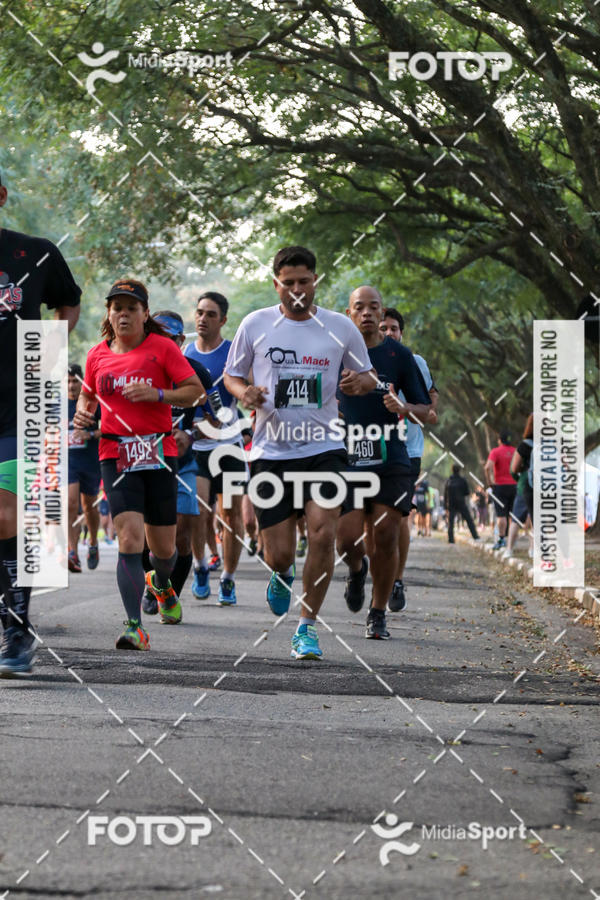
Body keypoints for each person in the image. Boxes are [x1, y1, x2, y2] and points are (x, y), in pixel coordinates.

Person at [223, 245, 375, 659]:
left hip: (324, 447)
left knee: (324, 531)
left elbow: (368, 375)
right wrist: (246, 393)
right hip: (271, 453)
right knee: (280, 554)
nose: (295, 290)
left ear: (315, 282)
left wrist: (360, 384)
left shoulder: (340, 327)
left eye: (303, 282)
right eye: (287, 283)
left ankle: (307, 627)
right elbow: (232, 376)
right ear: (276, 284)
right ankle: (281, 573)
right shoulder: (256, 325)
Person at [74, 279, 206, 650]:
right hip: (115, 454)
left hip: (159, 453)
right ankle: (134, 627)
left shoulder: (162, 348)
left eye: (131, 308)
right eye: (117, 307)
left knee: (162, 551)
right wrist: (84, 416)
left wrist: (158, 394)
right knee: (130, 539)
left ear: (145, 314)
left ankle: (161, 583)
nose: (123, 314)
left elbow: (195, 390)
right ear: (109, 314)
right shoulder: (97, 354)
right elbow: (87, 397)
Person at [0, 173, 81, 676]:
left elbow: (68, 301)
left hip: (18, 405)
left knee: (8, 515)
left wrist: (47, 347)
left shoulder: (34, 253)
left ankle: (16, 630)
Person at [336, 287, 431, 639]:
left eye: (373, 307)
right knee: (346, 540)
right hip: (346, 458)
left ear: (381, 313)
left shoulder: (399, 355)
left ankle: (377, 613)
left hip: (391, 456)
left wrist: (404, 408)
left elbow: (426, 410)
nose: (366, 314)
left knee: (387, 533)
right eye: (359, 308)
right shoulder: (335, 353)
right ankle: (357, 569)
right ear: (349, 314)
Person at [140, 310, 213, 614]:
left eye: (169, 338)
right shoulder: (133, 368)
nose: (162, 344)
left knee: (180, 536)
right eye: (155, 336)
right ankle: (154, 584)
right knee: (144, 537)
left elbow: (217, 421)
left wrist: (191, 435)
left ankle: (170, 594)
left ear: (181, 341)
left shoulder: (200, 374)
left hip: (183, 464)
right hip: (143, 462)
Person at [184, 291, 246, 606]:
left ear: (222, 320)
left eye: (210, 314)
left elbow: (247, 386)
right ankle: (199, 566)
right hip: (196, 445)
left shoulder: (235, 353)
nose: (202, 319)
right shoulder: (184, 353)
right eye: (199, 313)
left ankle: (228, 579)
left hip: (230, 446)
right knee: (200, 511)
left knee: (231, 512)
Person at [380, 307, 438, 611]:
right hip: (369, 450)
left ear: (401, 333)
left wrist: (412, 409)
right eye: (384, 328)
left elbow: (430, 404)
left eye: (394, 328)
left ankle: (397, 580)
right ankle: (362, 569)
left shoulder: (415, 363)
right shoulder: (361, 359)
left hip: (408, 451)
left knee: (400, 515)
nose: (389, 333)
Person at [67, 363, 102, 572]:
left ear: (82, 383)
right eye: (68, 381)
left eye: (75, 381)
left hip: (90, 461)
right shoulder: (56, 405)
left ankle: (93, 544)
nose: (71, 386)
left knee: (89, 507)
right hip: (68, 462)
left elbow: (106, 428)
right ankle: (73, 551)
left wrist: (88, 434)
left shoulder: (91, 404)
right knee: (70, 504)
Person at [504, 414, 534, 560]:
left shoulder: (525, 445)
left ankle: (509, 548)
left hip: (526, 485)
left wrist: (520, 476)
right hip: (545, 487)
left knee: (516, 518)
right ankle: (534, 549)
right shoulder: (550, 444)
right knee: (537, 519)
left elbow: (514, 468)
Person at [484, 429, 517, 550]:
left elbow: (487, 467)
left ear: (500, 440)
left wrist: (490, 483)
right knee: (513, 515)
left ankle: (502, 539)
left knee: (501, 515)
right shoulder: (515, 451)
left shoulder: (495, 452)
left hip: (500, 487)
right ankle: (512, 541)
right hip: (514, 486)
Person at [444, 464, 479, 543]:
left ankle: (451, 539)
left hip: (451, 503)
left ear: (452, 470)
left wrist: (445, 507)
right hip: (461, 503)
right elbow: (467, 492)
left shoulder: (449, 480)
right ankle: (475, 536)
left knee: (451, 522)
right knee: (469, 520)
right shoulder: (463, 480)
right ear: (459, 470)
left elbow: (445, 494)